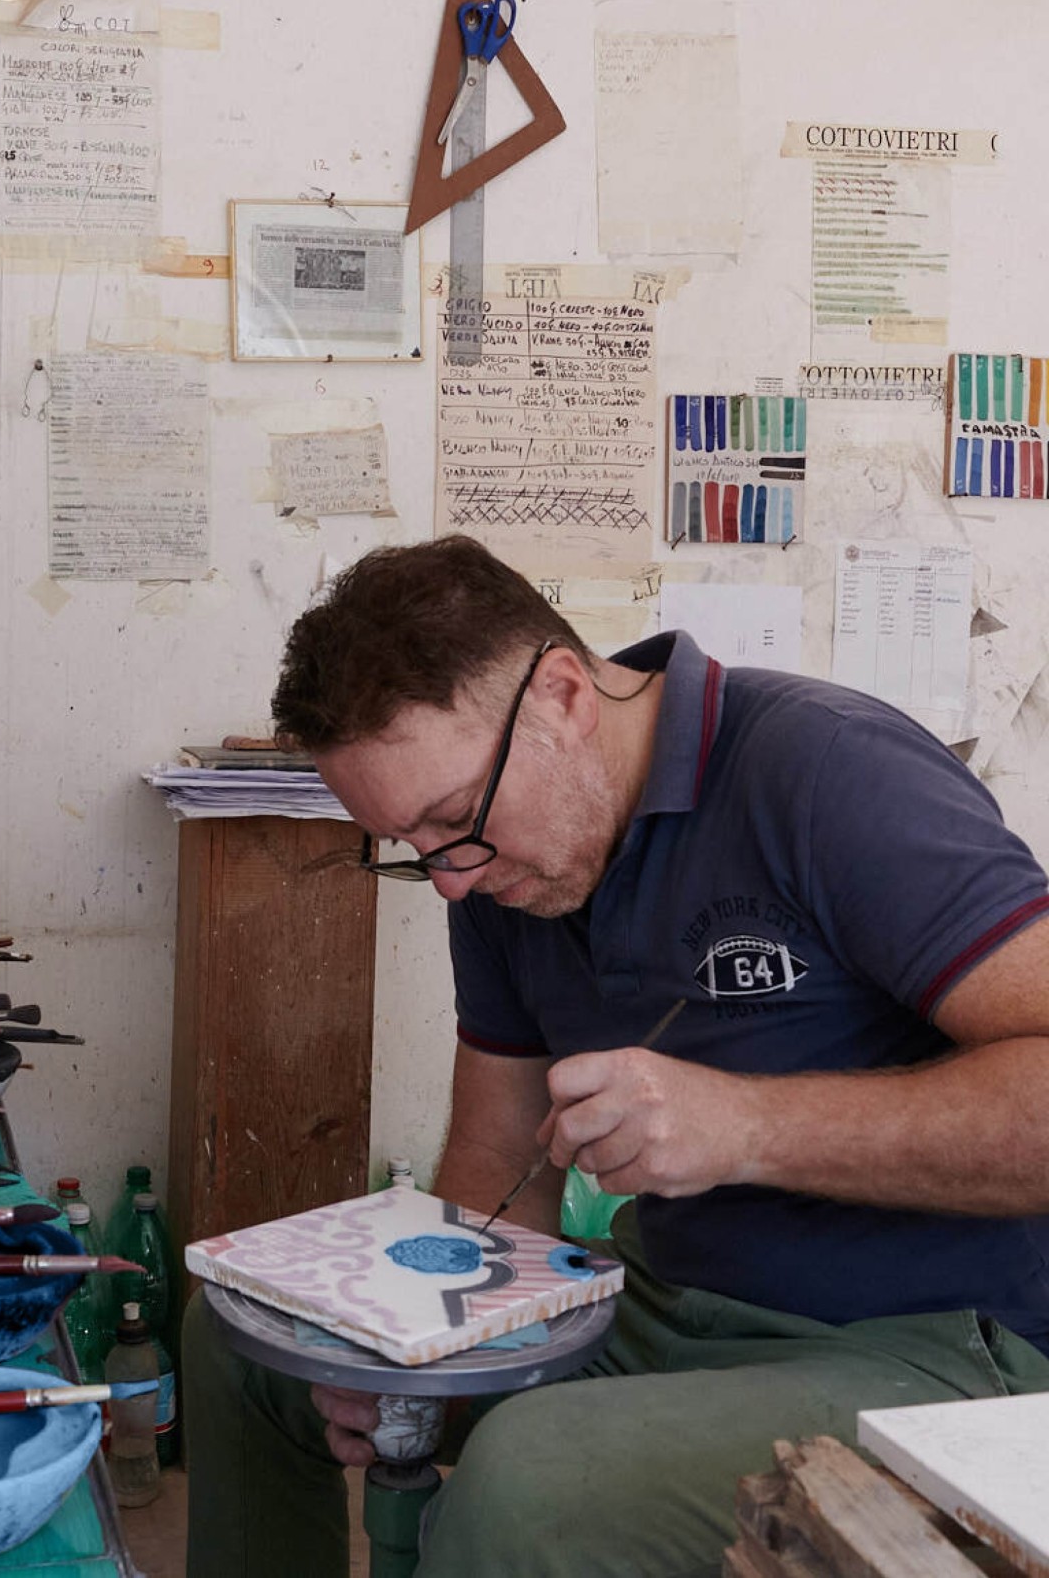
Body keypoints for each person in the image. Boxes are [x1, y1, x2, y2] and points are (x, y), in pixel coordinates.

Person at [183, 533, 1049, 1578]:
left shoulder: (827, 772)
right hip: (660, 1302)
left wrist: (747, 1126)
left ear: (560, 693)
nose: (448, 879)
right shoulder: (499, 872)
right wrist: (412, 1343)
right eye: (411, 845)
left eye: (454, 818)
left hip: (928, 1343)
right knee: (244, 1346)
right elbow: (497, 1162)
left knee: (524, 1484)